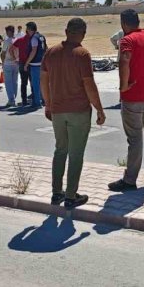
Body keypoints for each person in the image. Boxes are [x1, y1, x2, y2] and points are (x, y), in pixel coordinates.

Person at [42, 18, 106, 210]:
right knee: (76, 154)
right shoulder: (82, 54)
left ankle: (56, 192)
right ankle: (71, 195)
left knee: (60, 150)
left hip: (58, 110)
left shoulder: (51, 52)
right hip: (78, 110)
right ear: (83, 33)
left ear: (66, 31)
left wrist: (48, 104)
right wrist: (99, 109)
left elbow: (43, 82)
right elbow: (89, 85)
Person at [108, 10, 144, 192]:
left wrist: (123, 85)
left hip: (133, 97)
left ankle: (130, 179)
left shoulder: (127, 40)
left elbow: (124, 60)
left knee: (135, 138)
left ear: (124, 23)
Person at [22, 21, 47, 109]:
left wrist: (26, 63)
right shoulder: (41, 37)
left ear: (29, 29)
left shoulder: (34, 38)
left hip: (35, 64)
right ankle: (44, 100)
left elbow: (33, 51)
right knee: (42, 84)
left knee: (35, 84)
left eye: (27, 29)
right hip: (42, 63)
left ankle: (37, 102)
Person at [1, 25, 20, 107]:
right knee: (14, 82)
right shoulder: (16, 39)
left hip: (8, 63)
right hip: (16, 63)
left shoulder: (7, 41)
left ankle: (11, 100)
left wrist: (2, 62)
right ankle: (14, 97)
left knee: (8, 83)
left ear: (8, 31)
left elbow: (3, 53)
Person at [13, 31, 31, 105]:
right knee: (33, 82)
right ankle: (35, 99)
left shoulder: (20, 40)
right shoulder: (32, 40)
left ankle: (24, 100)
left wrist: (15, 58)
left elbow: (12, 48)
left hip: (22, 63)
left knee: (23, 83)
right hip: (31, 63)